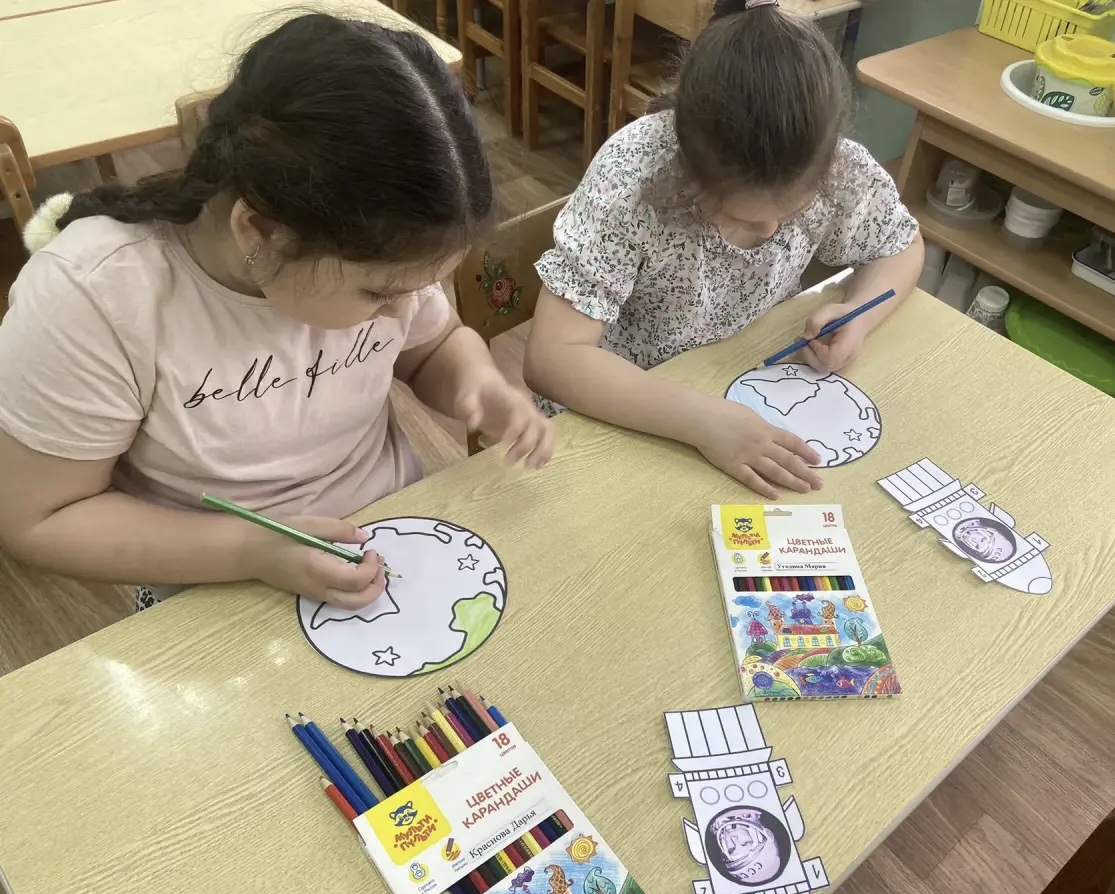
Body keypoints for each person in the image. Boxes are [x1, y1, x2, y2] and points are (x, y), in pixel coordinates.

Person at [0, 13, 552, 613]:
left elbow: (433, 344)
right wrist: (251, 551)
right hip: (212, 585)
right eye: (378, 293)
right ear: (259, 230)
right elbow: (40, 517)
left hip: (390, 539)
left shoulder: (383, 255)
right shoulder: (95, 297)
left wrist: (476, 381)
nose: (403, 308)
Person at [524, 0, 923, 500]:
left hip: (740, 387)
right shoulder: (632, 178)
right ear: (687, 173)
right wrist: (701, 420)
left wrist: (857, 315)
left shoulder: (838, 167)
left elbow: (901, 246)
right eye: (742, 217)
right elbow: (553, 359)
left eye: (792, 211)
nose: (771, 229)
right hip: (619, 406)